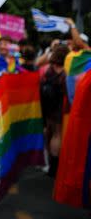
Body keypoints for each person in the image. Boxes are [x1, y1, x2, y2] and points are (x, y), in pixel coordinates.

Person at [40, 45, 69, 177]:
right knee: (57, 135)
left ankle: (49, 162)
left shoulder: (48, 69)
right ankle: (54, 167)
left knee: (48, 132)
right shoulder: (66, 72)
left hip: (47, 105)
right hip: (58, 106)